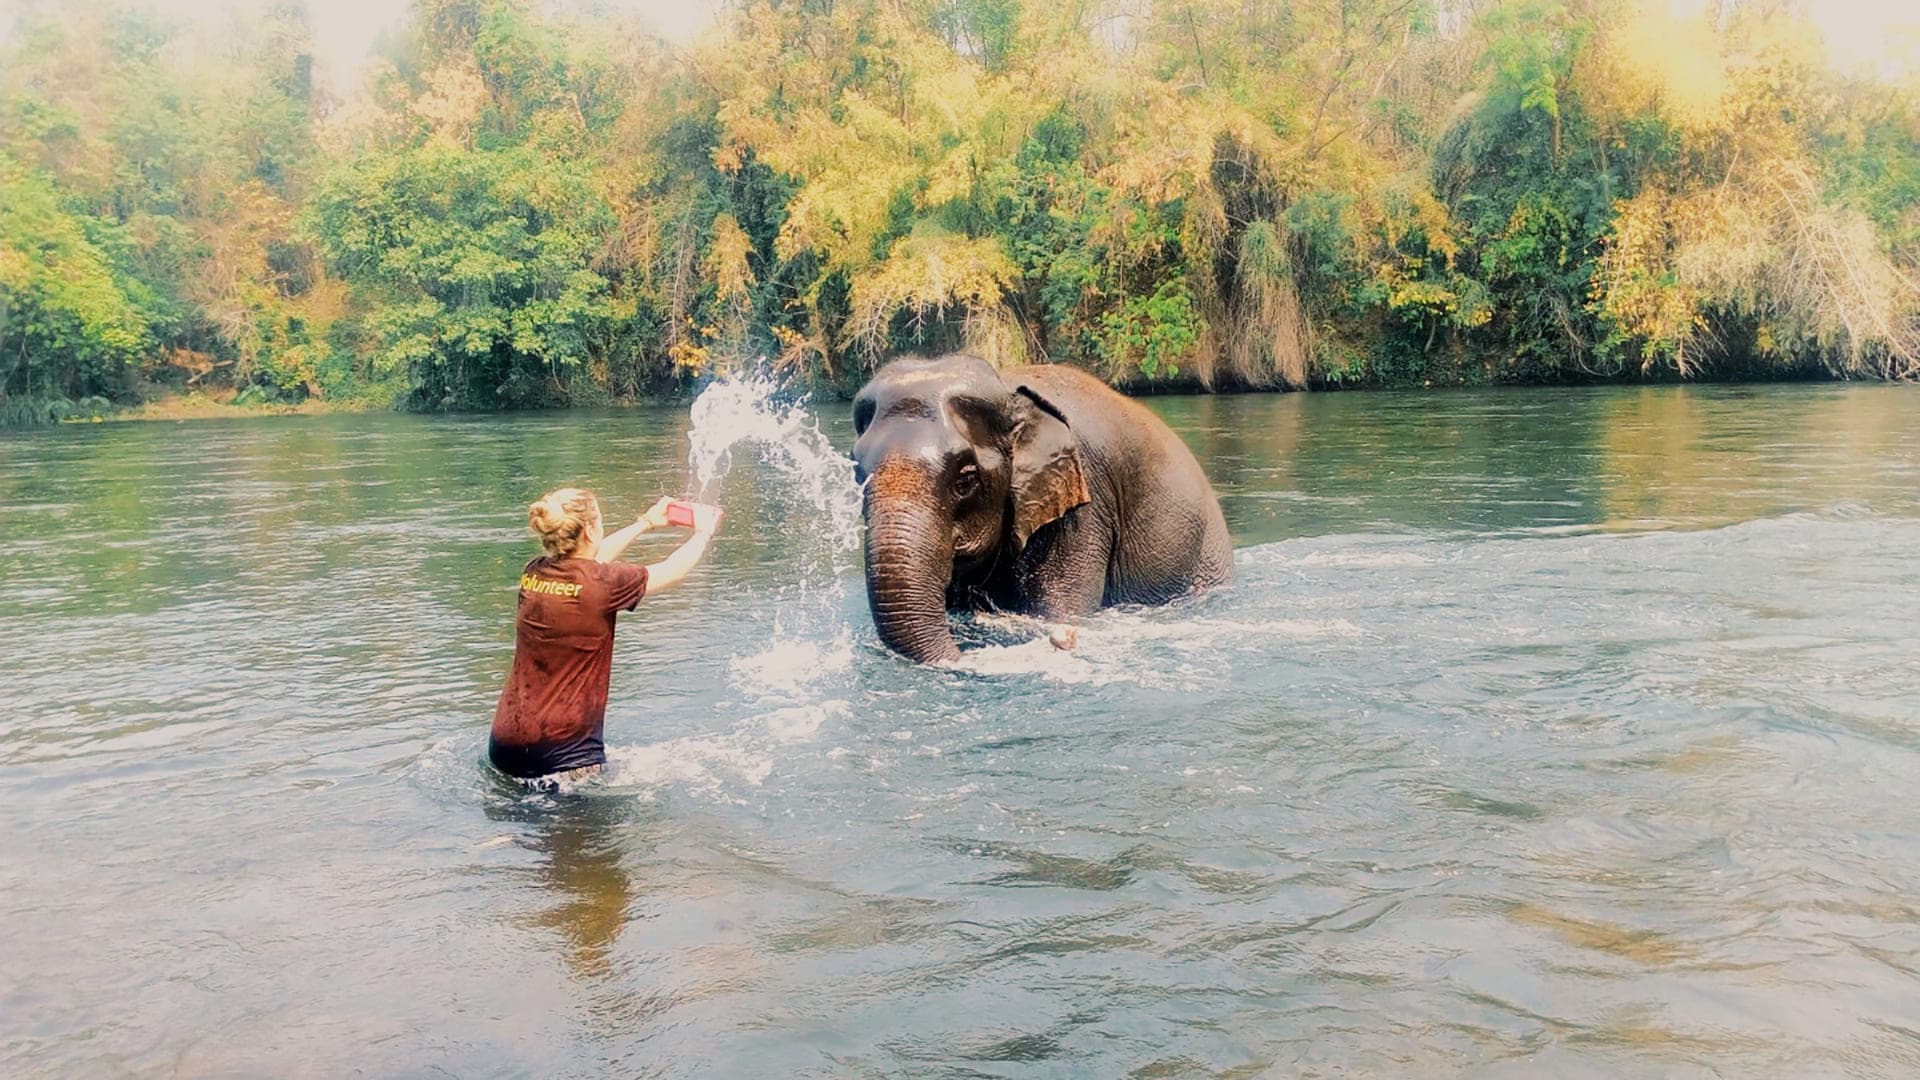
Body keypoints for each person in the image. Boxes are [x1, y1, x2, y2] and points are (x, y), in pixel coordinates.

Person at [489, 488, 720, 783]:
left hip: (505, 743)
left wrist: (646, 523)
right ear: (589, 530)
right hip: (564, 754)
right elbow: (672, 571)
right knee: (586, 830)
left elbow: (588, 564)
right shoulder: (606, 584)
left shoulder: (533, 573)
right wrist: (704, 532)